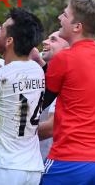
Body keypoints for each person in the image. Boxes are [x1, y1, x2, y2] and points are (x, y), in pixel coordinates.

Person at [41, 0, 95, 184]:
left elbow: (39, 103)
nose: (60, 17)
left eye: (65, 15)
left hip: (70, 159)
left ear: (77, 27)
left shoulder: (64, 58)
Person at [0, 8, 45, 184]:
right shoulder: (37, 70)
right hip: (32, 167)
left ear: (9, 40)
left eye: (1, 29)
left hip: (2, 167)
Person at [35, 31, 69, 161]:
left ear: (67, 50)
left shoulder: (65, 80)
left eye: (53, 40)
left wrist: (11, 134)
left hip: (50, 159)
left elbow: (51, 127)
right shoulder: (35, 70)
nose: (45, 41)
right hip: (30, 157)